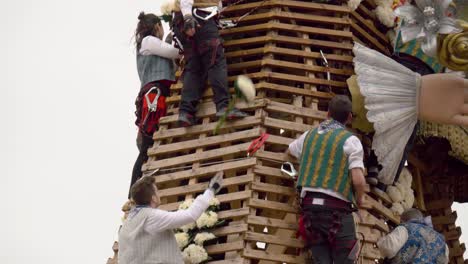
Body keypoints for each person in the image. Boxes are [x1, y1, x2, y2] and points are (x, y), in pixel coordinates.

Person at [287, 95, 367, 264]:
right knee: (346, 258)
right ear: (350, 117)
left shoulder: (309, 135)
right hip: (336, 211)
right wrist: (360, 198)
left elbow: (290, 151)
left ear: (327, 113)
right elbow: (358, 180)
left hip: (309, 211)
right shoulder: (351, 141)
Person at [118, 172, 224, 264]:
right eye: (157, 191)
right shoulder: (152, 216)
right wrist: (211, 190)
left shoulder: (127, 224)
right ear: (153, 198)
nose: (159, 194)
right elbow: (191, 214)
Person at [174, 0, 248, 126]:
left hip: (184, 21)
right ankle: (223, 106)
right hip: (198, 18)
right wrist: (188, 17)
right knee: (215, 61)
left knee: (194, 68)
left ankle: (186, 112)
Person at [130, 12, 181, 196]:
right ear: (157, 26)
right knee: (146, 148)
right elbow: (173, 51)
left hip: (160, 95)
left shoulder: (150, 46)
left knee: (149, 146)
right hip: (154, 96)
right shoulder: (148, 42)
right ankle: (132, 193)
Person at [377, 208, 449, 264]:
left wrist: (380, 241)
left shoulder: (405, 228)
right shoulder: (442, 242)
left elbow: (388, 248)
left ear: (403, 220)